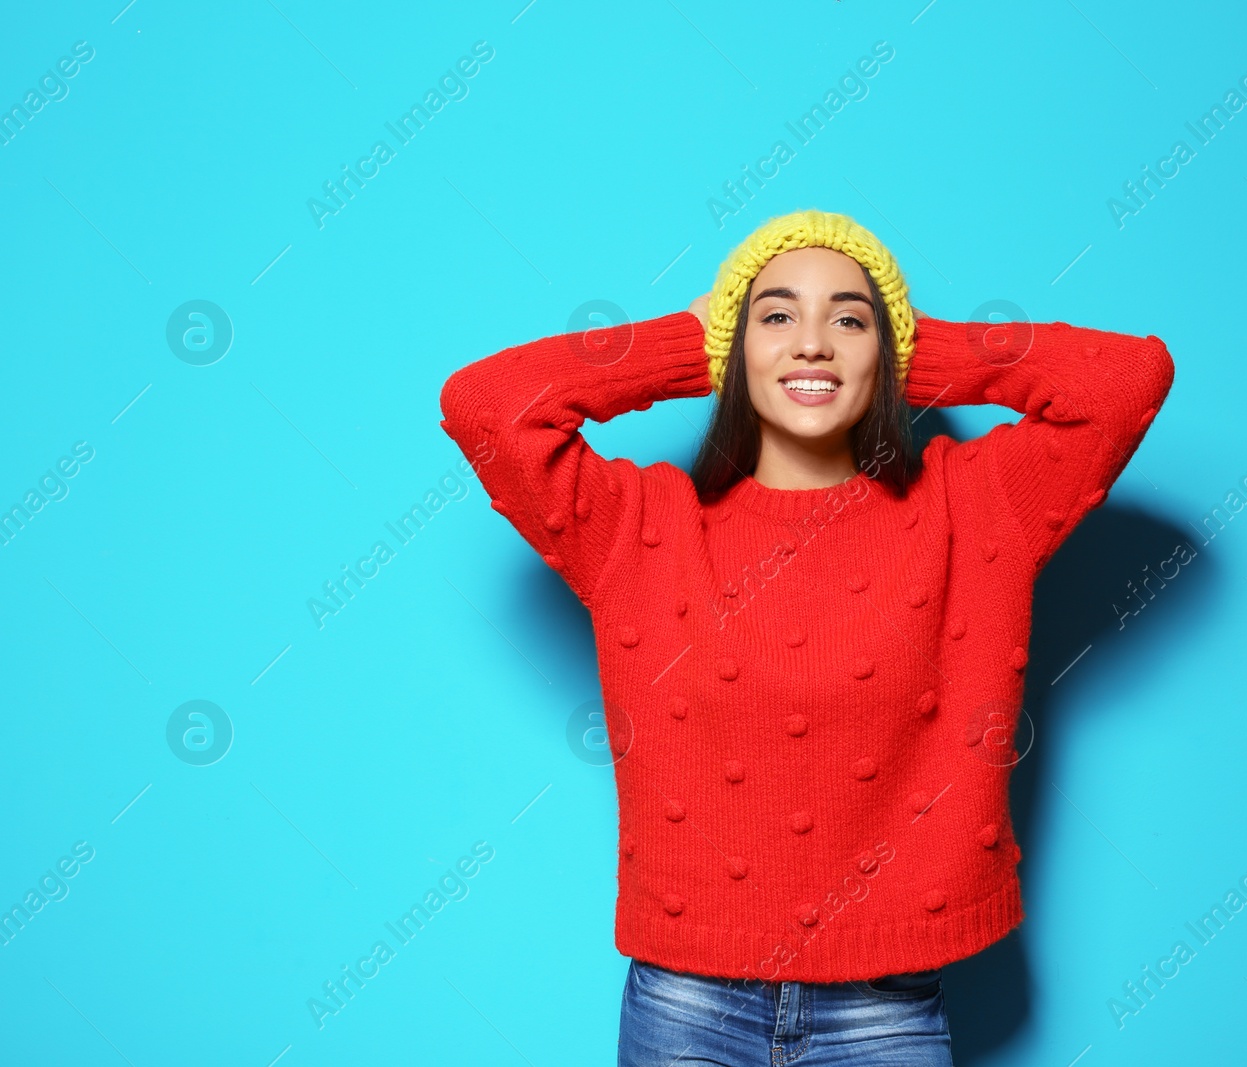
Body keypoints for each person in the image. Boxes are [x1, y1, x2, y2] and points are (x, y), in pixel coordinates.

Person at [437, 209, 1175, 1065]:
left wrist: (914, 347)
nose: (812, 343)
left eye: (849, 320)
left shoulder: (976, 508)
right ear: (733, 344)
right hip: (685, 1005)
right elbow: (483, 405)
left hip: (884, 1014)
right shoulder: (638, 528)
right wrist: (689, 339)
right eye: (776, 315)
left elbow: (1129, 379)